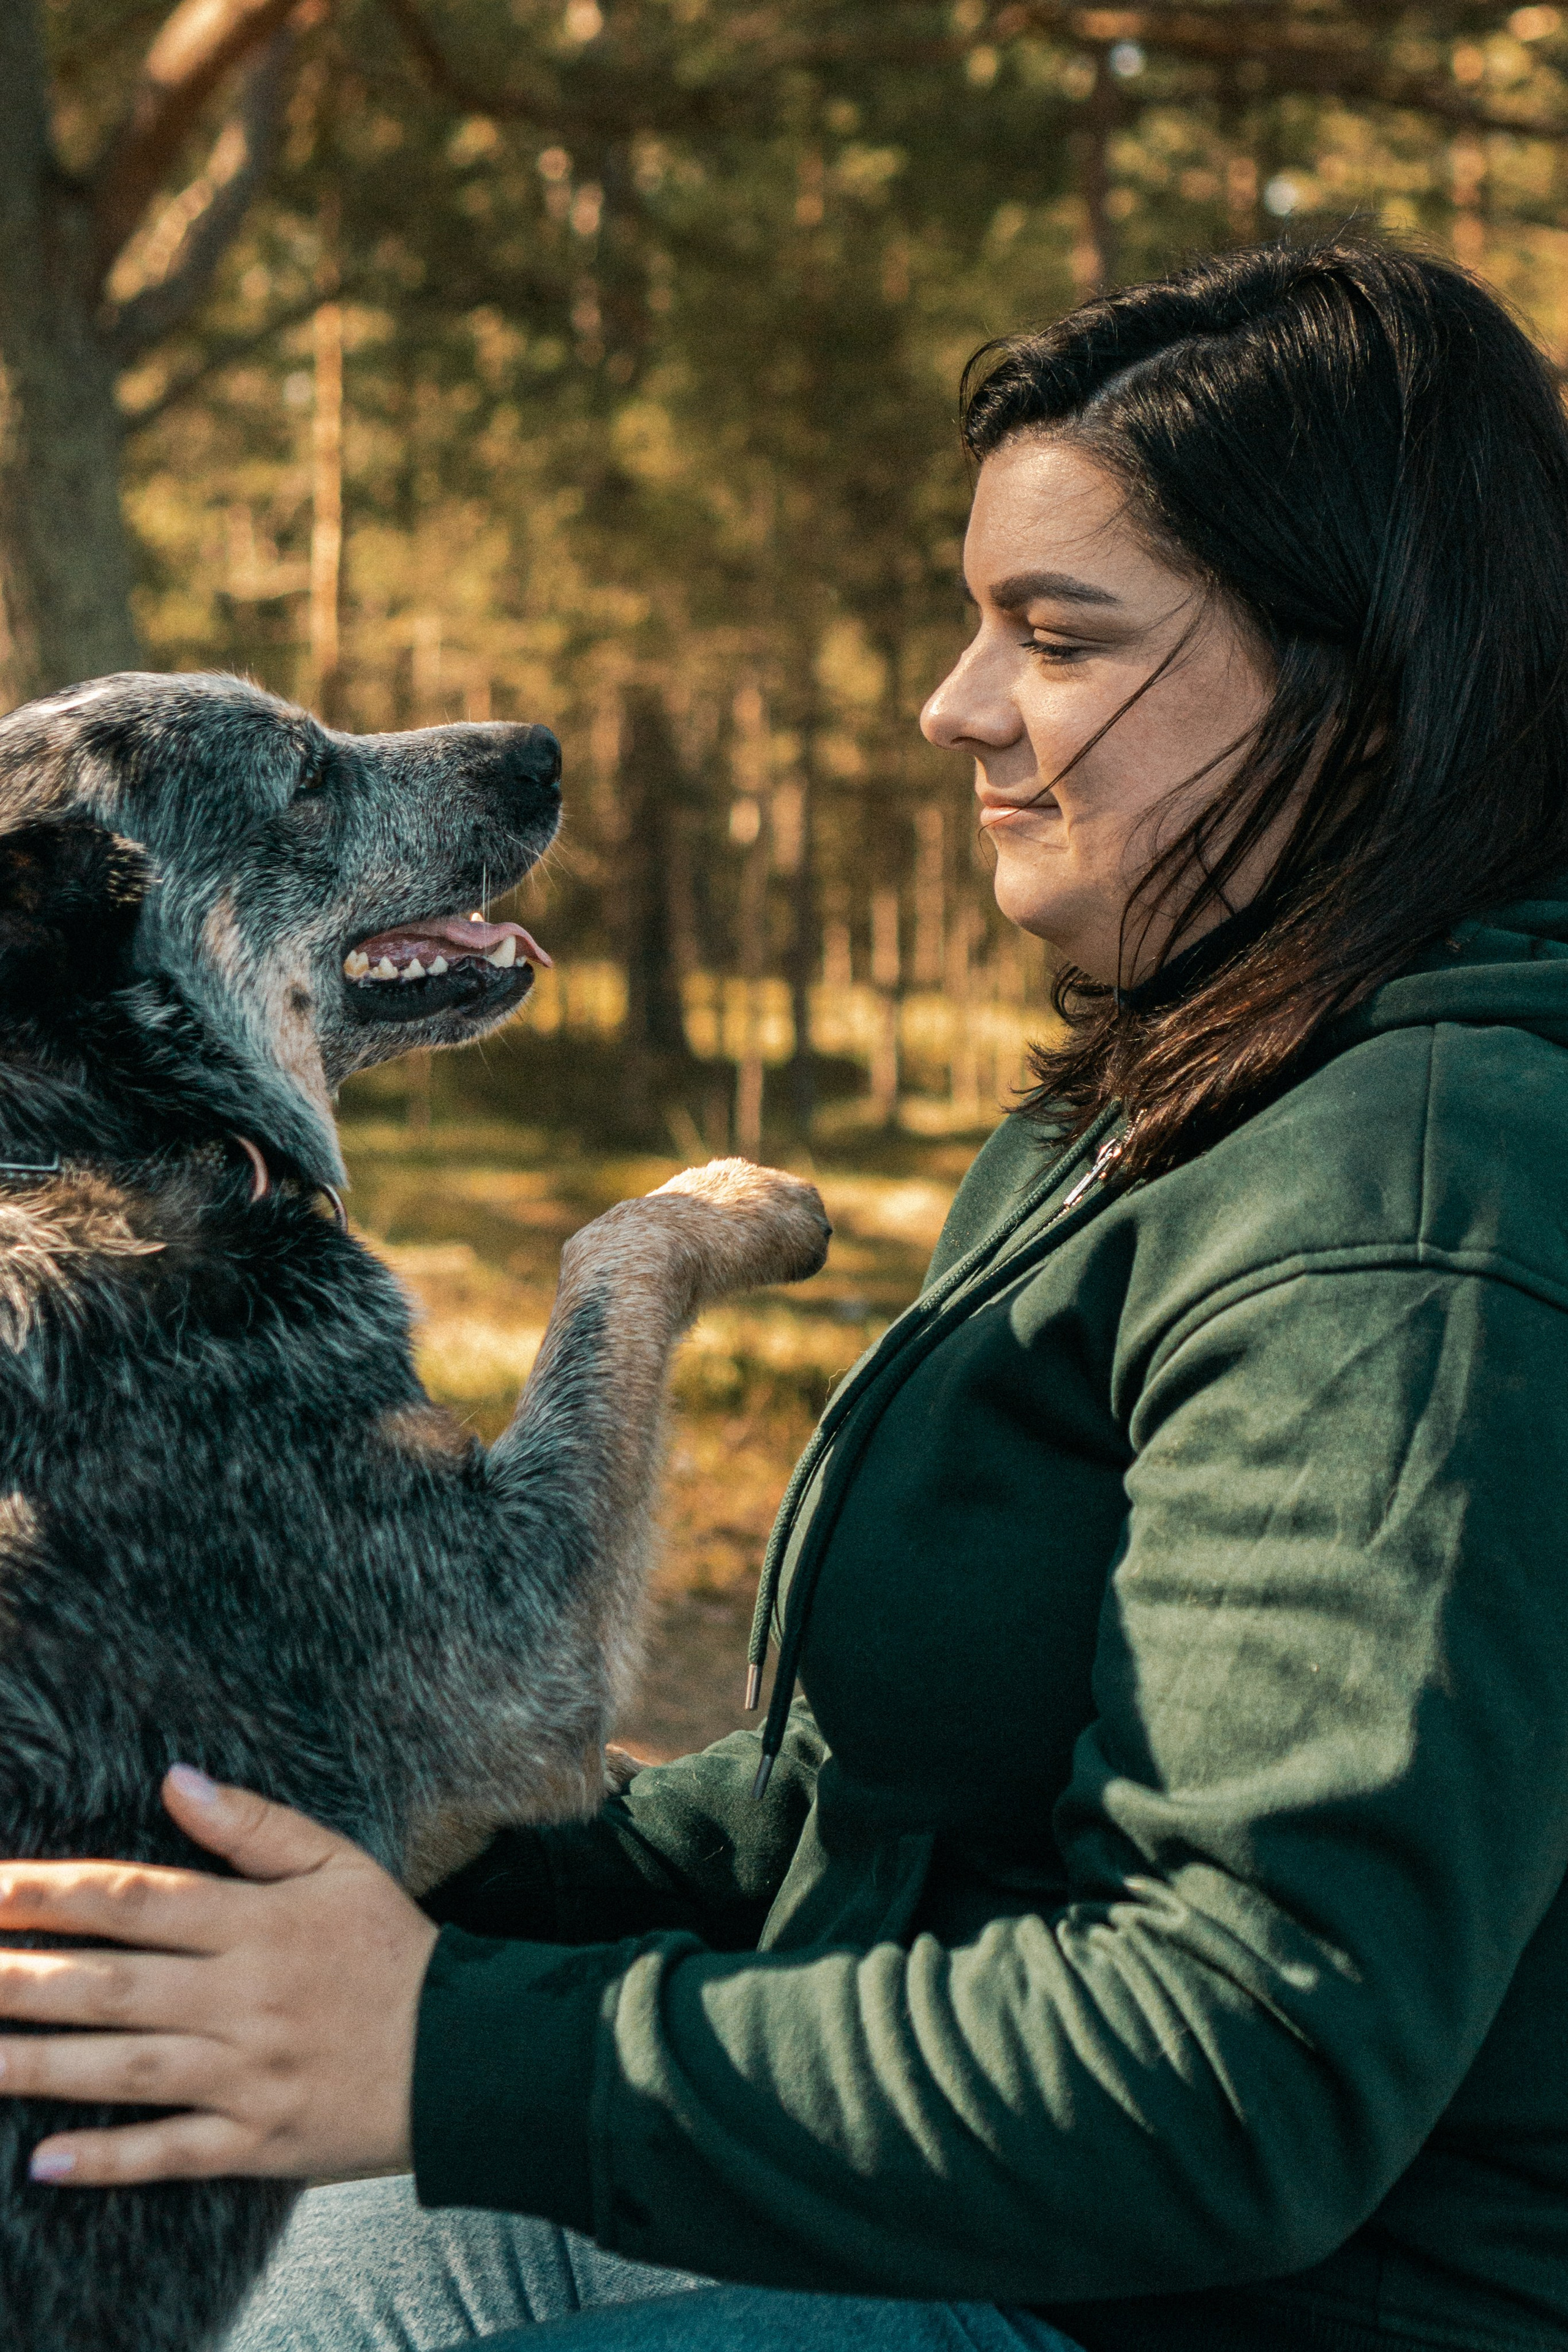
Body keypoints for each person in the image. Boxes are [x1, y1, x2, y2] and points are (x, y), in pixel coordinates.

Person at [4, 235, 1568, 2352]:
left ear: (1355, 684)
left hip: (1224, 2300)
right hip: (973, 2202)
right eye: (973, 618)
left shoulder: (1410, 1210)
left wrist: (449, 2048)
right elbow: (872, 1809)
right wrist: (312, 1880)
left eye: (1060, 634)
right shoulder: (1163, 1087)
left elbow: (1243, 2068)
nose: (955, 704)